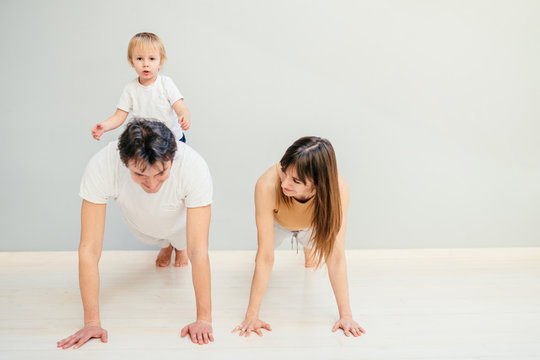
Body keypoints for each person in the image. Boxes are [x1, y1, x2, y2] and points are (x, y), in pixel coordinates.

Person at [58, 119, 213, 349]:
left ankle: (176, 246)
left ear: (172, 158)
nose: (151, 184)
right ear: (124, 162)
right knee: (154, 235)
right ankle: (166, 245)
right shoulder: (104, 164)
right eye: (141, 175)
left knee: (183, 243)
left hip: (179, 221)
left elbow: (199, 249)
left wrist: (204, 319)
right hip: (140, 223)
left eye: (161, 173)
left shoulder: (193, 166)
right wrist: (91, 322)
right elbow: (89, 248)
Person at [232, 136, 366, 338]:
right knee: (265, 252)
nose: (285, 183)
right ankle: (306, 246)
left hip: (312, 225)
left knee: (314, 251)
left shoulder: (338, 189)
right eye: (284, 172)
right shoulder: (267, 184)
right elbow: (265, 257)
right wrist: (252, 315)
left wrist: (346, 315)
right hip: (279, 222)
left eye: (295, 181)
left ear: (318, 184)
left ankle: (308, 249)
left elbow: (336, 257)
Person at [91, 32, 191, 143]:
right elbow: (119, 116)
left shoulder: (166, 84)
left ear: (160, 62)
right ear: (132, 62)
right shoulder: (130, 89)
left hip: (172, 141)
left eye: (151, 59)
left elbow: (180, 107)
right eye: (139, 58)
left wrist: (183, 116)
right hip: (146, 143)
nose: (145, 64)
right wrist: (104, 126)